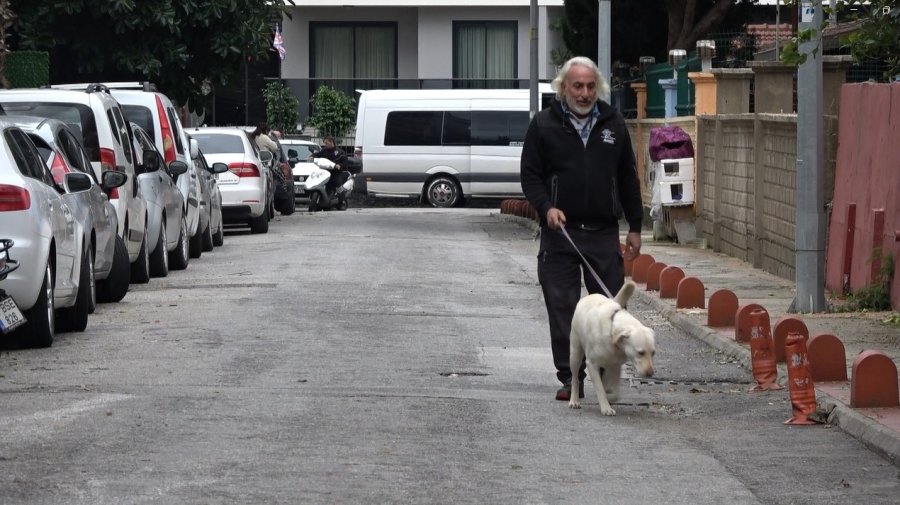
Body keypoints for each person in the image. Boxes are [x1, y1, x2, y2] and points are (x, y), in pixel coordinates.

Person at [519, 56, 644, 402]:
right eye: (578, 86)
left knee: (610, 307)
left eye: (591, 86)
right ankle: (569, 376)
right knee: (562, 304)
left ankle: (604, 373)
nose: (585, 93)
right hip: (561, 232)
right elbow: (529, 175)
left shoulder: (613, 123)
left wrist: (635, 226)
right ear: (564, 87)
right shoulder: (543, 125)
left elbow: (628, 178)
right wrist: (546, 208)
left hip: (603, 231)